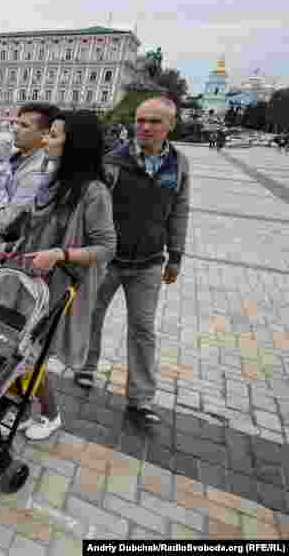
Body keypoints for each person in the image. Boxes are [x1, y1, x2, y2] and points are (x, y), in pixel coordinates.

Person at [1, 111, 118, 440]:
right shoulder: (54, 180)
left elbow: (106, 247)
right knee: (24, 349)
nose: (45, 140)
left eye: (53, 135)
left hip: (62, 287)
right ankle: (22, 402)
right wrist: (16, 249)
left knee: (31, 352)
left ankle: (50, 415)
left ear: (75, 143)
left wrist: (59, 255)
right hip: (33, 280)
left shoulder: (94, 192)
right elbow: (38, 228)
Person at [79, 97, 191, 425]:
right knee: (93, 314)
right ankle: (86, 367)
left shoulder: (179, 164)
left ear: (170, 125)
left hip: (149, 263)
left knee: (143, 328)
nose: (144, 127)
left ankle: (140, 398)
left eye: (154, 121)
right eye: (140, 120)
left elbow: (180, 211)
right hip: (108, 260)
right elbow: (92, 208)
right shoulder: (113, 161)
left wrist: (177, 256)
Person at [0, 103, 59, 283]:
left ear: (44, 133)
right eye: (16, 123)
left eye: (24, 126)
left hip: (6, 258)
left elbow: (13, 216)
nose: (15, 129)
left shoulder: (41, 170)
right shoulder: (9, 156)